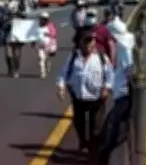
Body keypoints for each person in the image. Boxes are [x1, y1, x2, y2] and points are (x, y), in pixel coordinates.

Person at [56, 28, 113, 157]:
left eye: (92, 41)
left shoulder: (101, 57)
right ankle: (83, 141)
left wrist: (106, 88)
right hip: (78, 98)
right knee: (79, 124)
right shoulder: (73, 57)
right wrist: (61, 87)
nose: (90, 44)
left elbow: (110, 76)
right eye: (86, 41)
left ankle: (93, 155)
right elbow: (62, 74)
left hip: (96, 99)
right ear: (80, 43)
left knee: (96, 128)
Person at [104, 17, 135, 150]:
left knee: (112, 122)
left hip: (124, 94)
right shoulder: (124, 46)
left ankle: (107, 151)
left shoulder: (125, 50)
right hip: (121, 92)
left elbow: (129, 70)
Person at [33, 11, 57, 78]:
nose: (43, 20)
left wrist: (48, 34)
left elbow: (54, 33)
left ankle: (48, 63)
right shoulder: (37, 25)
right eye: (41, 18)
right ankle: (42, 73)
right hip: (40, 45)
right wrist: (33, 42)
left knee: (47, 57)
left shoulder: (50, 25)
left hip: (49, 45)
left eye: (44, 19)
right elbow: (34, 35)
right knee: (41, 58)